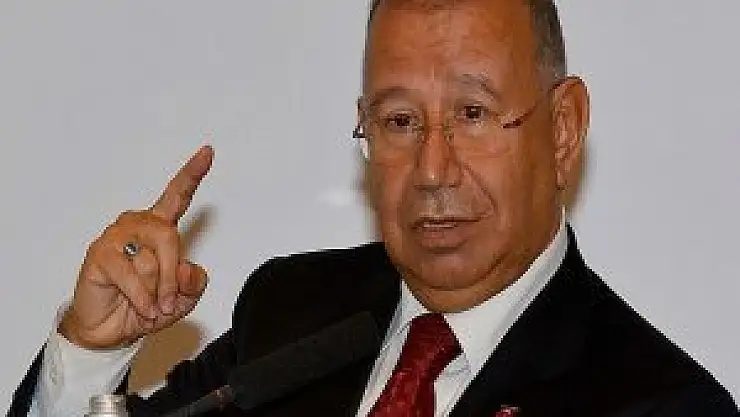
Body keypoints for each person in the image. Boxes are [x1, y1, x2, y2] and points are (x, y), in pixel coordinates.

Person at [8, 0, 739, 416]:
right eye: (399, 121)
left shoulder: (661, 403)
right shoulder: (292, 313)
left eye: (473, 114)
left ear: (564, 130)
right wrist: (92, 354)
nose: (431, 169)